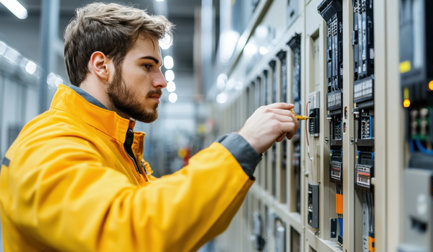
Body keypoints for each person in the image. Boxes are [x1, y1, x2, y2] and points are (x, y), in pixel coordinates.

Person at [0, 2, 298, 251]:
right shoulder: (49, 145)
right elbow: (131, 231)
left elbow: (165, 209)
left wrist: (241, 153)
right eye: (147, 65)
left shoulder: (109, 142)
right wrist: (242, 146)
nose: (161, 80)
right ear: (101, 66)